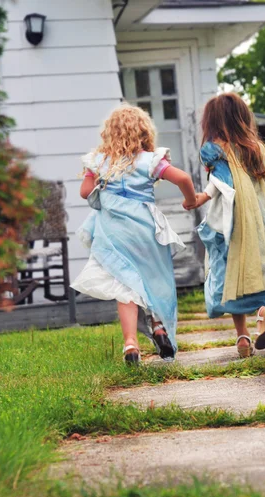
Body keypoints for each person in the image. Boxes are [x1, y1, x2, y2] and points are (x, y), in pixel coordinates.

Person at [186, 93, 265, 358]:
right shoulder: (264, 152)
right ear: (243, 118)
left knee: (234, 274)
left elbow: (219, 182)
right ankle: (263, 312)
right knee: (263, 268)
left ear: (212, 122)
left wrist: (201, 198)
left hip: (236, 225)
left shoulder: (216, 149)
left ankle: (242, 338)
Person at [71, 103, 197, 364]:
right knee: (152, 279)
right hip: (145, 231)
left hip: (114, 233)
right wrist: (190, 200)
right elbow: (183, 178)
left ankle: (130, 343)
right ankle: (159, 326)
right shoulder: (151, 160)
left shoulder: (98, 161)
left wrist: (95, 178)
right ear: (143, 133)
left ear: (109, 133)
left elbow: (84, 193)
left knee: (125, 286)